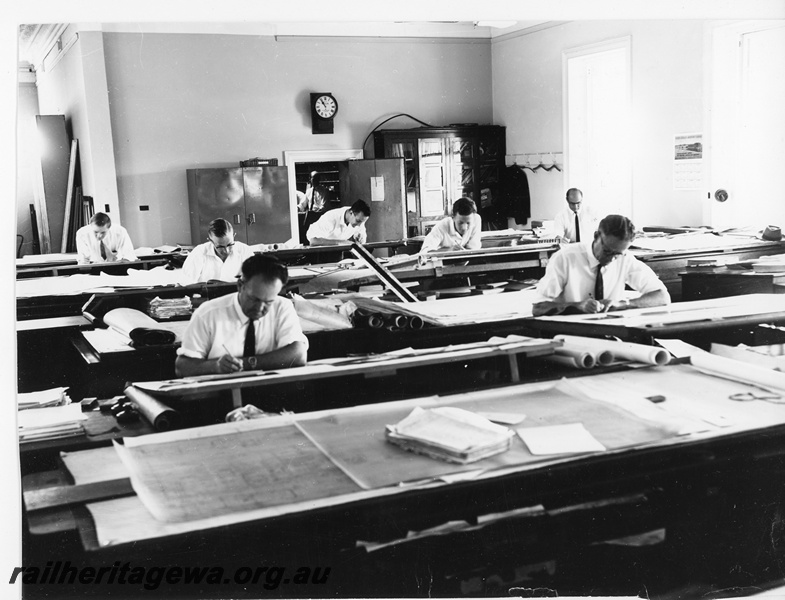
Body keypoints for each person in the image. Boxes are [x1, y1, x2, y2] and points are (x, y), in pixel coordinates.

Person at [175, 254, 308, 376]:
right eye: (254, 299)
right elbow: (181, 366)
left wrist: (246, 363)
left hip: (269, 391)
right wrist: (214, 366)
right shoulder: (207, 313)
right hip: (221, 394)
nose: (260, 308)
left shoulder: (282, 306)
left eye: (268, 302)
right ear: (240, 286)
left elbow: (298, 354)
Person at [532, 214, 670, 317]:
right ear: (596, 236)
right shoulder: (565, 257)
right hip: (572, 334)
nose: (611, 259)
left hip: (612, 331)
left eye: (617, 254)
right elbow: (538, 308)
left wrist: (622, 304)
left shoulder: (626, 259)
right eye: (607, 251)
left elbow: (662, 296)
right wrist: (576, 306)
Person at [180, 218, 255, 283]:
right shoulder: (199, 253)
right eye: (220, 247)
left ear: (234, 236)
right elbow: (186, 285)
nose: (226, 251)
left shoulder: (245, 251)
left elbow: (255, 279)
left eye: (230, 245)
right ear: (211, 241)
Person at [306, 199, 371, 246]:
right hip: (318, 251)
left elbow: (362, 242)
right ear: (351, 213)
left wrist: (360, 240)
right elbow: (313, 241)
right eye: (358, 221)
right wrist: (344, 242)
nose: (359, 225)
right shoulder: (330, 217)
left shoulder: (359, 219)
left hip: (337, 250)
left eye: (362, 222)